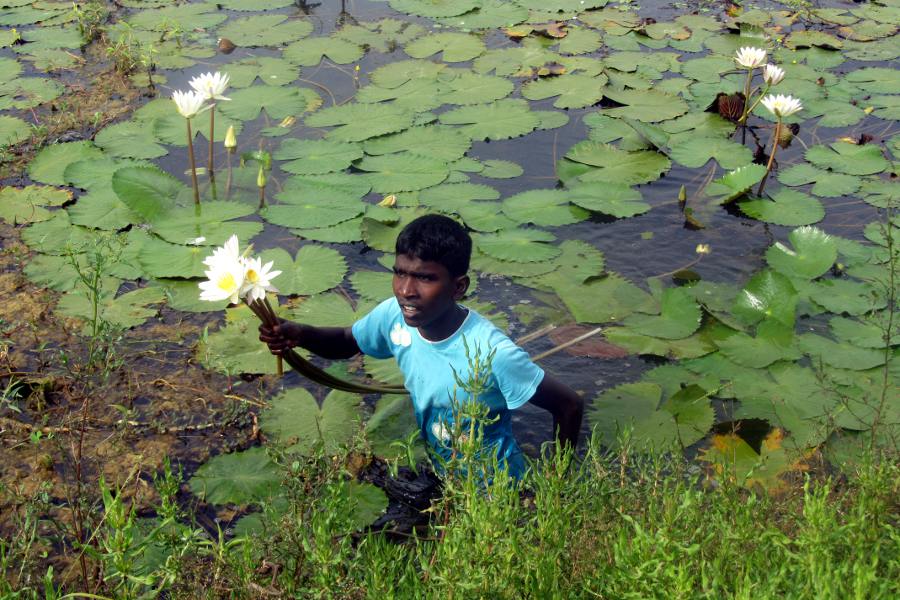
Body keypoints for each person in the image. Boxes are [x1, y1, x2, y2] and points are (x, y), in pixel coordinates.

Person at [259, 214, 583, 479]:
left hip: (496, 487)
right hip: (445, 468)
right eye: (400, 273)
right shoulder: (394, 317)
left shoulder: (492, 352)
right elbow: (347, 341)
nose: (406, 290)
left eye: (425, 278)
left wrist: (558, 479)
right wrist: (300, 334)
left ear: (459, 287)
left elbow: (569, 405)